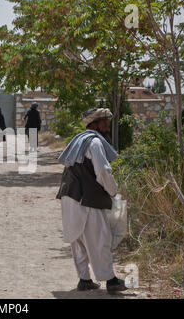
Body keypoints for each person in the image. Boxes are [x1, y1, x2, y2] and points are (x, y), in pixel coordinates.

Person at [56, 108, 129, 294]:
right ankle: (111, 281)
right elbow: (103, 171)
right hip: (86, 200)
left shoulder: (79, 140)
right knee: (99, 240)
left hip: (69, 197)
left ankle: (85, 280)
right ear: (94, 124)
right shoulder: (94, 142)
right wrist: (113, 190)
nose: (107, 126)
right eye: (104, 122)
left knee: (79, 240)